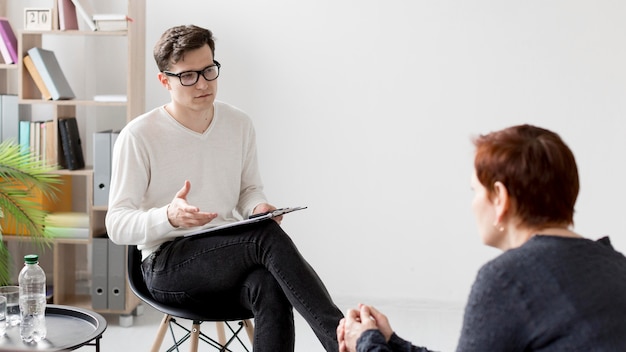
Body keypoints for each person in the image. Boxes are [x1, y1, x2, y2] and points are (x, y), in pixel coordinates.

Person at [105, 24, 343, 351]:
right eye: (188, 75)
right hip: (167, 263)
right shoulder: (139, 136)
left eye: (209, 70)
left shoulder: (238, 124)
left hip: (228, 253)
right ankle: (345, 340)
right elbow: (116, 225)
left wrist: (258, 208)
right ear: (165, 81)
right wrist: (169, 218)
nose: (203, 83)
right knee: (266, 238)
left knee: (268, 285)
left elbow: (249, 190)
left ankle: (344, 340)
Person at [337, 124, 626, 351]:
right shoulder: (616, 265)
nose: (473, 204)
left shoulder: (508, 279)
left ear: (500, 197)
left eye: (474, 191)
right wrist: (390, 342)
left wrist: (366, 343)